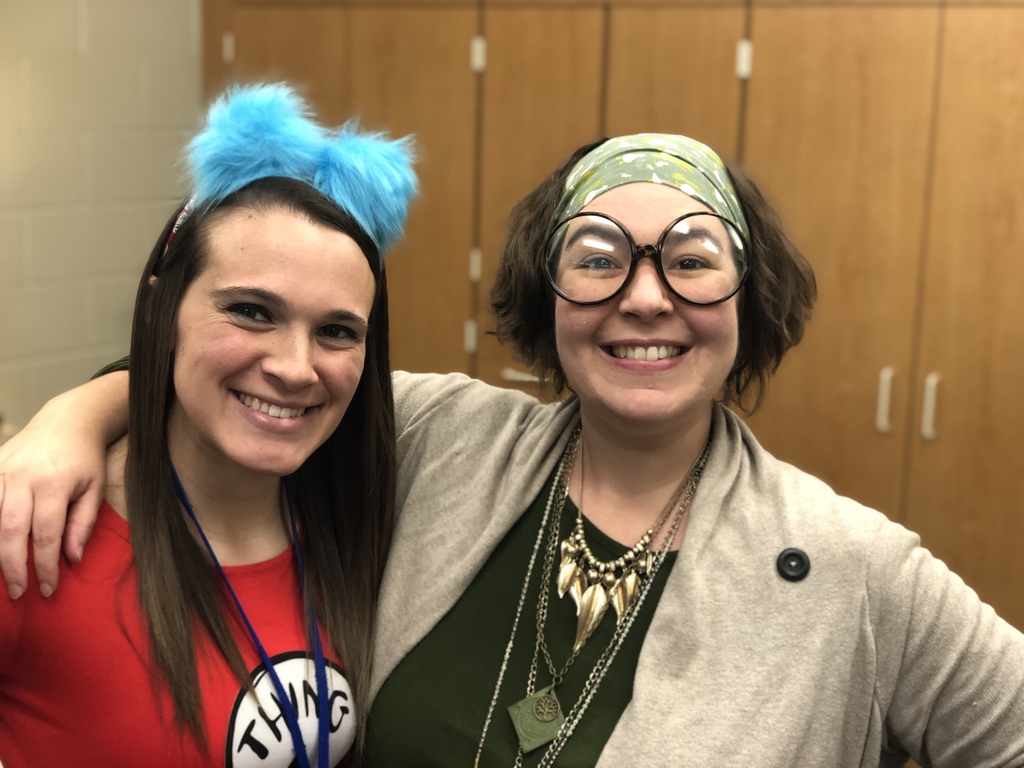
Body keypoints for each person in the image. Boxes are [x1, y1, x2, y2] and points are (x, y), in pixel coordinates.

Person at [2, 134, 1023, 767]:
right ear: (548, 298)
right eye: (598, 259)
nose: (644, 297)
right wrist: (68, 423)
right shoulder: (444, 435)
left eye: (691, 260)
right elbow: (253, 382)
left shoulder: (853, 568)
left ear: (748, 301)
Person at [0, 82, 417, 768]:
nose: (295, 368)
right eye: (252, 311)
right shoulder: (36, 530)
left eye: (337, 331)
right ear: (162, 310)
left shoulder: (361, 517)